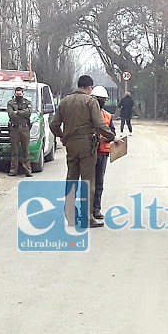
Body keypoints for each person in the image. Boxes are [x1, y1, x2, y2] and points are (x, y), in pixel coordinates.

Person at [50, 75, 115, 228]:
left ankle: (71, 216)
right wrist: (112, 136)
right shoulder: (90, 101)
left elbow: (54, 124)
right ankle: (88, 217)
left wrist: (63, 136)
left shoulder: (64, 101)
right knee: (88, 182)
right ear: (89, 88)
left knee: (71, 179)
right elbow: (99, 124)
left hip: (71, 145)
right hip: (87, 145)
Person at [90, 86, 123, 220]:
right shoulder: (87, 114)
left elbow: (112, 132)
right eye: (99, 99)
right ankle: (88, 209)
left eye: (103, 100)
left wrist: (107, 137)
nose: (101, 102)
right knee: (89, 182)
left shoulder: (107, 116)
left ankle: (96, 209)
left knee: (99, 182)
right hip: (90, 152)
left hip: (102, 152)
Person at [7, 87, 33, 177]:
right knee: (14, 151)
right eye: (17, 94)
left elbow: (28, 113)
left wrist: (17, 112)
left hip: (25, 129)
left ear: (23, 94)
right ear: (15, 94)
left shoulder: (27, 102)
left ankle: (27, 170)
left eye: (20, 94)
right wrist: (22, 113)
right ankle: (13, 170)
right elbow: (11, 115)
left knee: (26, 150)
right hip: (14, 129)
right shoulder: (10, 103)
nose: (19, 96)